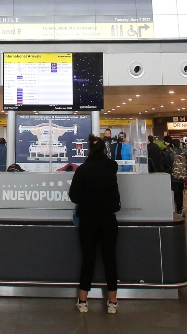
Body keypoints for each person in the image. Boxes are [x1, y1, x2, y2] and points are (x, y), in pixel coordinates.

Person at [68, 135, 120, 314]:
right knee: (110, 259)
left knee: (88, 259)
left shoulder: (83, 169)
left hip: (88, 219)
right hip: (108, 218)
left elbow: (74, 196)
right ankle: (112, 302)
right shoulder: (112, 166)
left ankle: (83, 301)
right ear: (104, 150)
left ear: (89, 151)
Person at [167, 138, 187, 215]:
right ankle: (180, 207)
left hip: (174, 176)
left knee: (175, 192)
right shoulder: (184, 153)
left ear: (173, 144)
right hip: (182, 175)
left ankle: (177, 209)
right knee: (180, 192)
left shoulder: (171, 153)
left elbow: (168, 165)